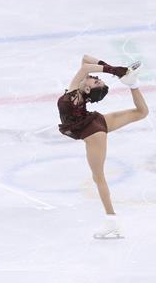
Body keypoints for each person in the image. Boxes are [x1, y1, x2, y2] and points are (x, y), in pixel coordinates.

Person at [57, 55, 147, 239]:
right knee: (142, 112)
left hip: (93, 132)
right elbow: (85, 59)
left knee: (98, 177)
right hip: (95, 122)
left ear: (88, 88)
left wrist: (116, 71)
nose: (95, 77)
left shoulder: (73, 94)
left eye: (96, 80)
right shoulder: (76, 91)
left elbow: (84, 68)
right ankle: (133, 84)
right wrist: (122, 75)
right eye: (96, 78)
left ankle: (112, 221)